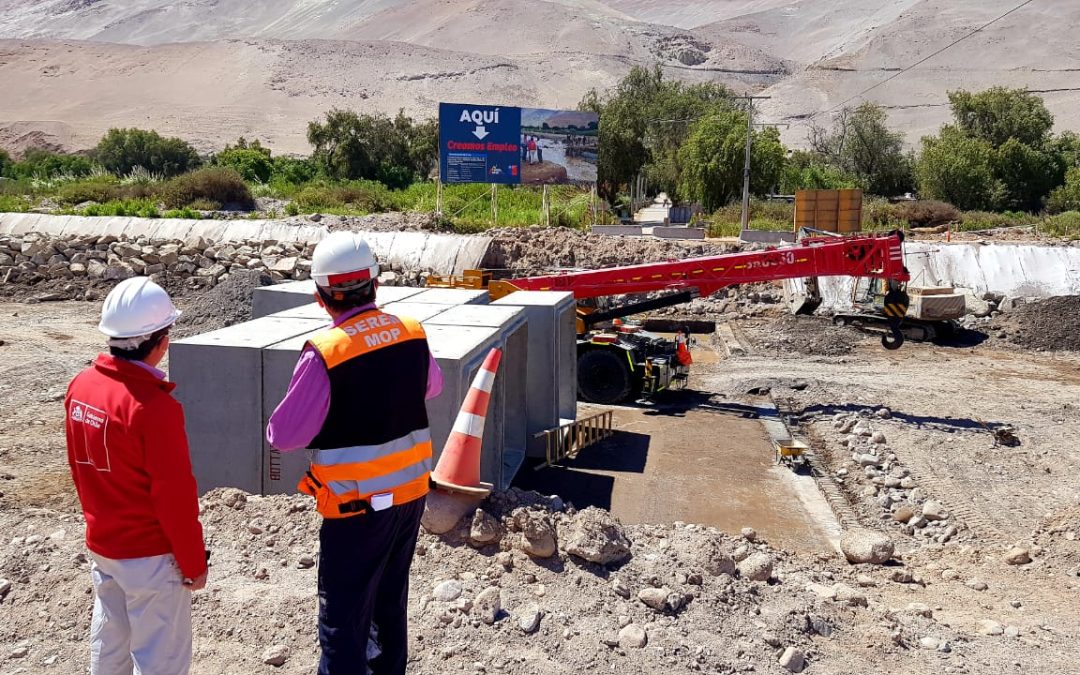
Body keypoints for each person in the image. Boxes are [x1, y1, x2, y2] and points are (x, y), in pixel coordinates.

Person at [266, 231, 443, 675]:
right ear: (375, 285)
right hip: (409, 499)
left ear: (320, 296)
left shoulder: (326, 353)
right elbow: (432, 386)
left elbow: (283, 435)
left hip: (356, 509)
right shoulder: (410, 332)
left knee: (344, 620)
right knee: (388, 605)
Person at [65, 276, 208, 675]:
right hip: (150, 556)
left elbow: (79, 469)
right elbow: (175, 495)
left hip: (105, 544)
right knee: (160, 660)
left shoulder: (81, 387)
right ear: (160, 340)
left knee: (109, 645)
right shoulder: (153, 408)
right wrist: (194, 563)